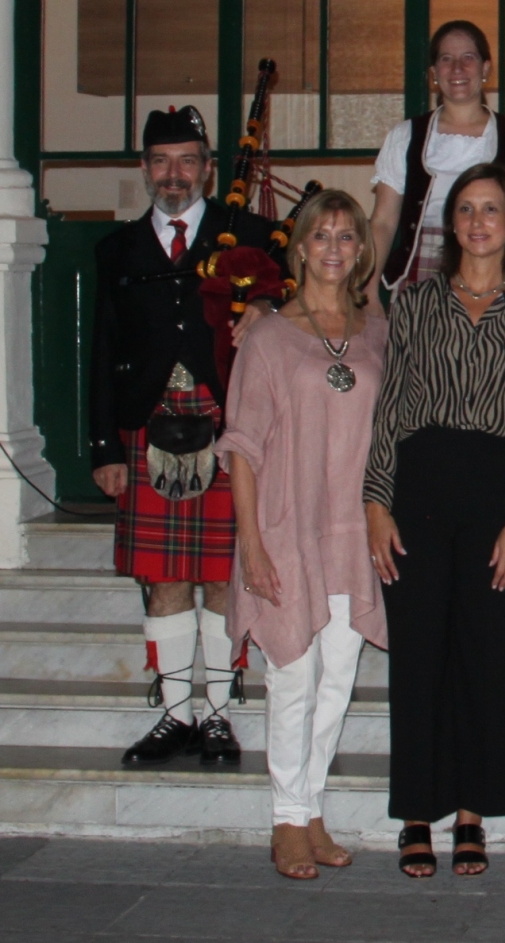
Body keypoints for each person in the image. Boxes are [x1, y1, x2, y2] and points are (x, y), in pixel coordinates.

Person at [364, 163, 505, 879]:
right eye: (466, 209)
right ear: (452, 224)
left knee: (488, 655)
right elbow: (390, 407)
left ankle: (474, 810)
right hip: (420, 483)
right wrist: (376, 502)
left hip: (497, 488)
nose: (479, 221)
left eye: (492, 209)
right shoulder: (412, 303)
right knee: (419, 655)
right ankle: (418, 810)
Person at [90, 106, 287, 769]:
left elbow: (299, 304)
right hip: (148, 423)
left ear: (206, 166)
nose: (173, 174)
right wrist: (104, 448)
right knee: (164, 575)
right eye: (160, 161)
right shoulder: (116, 250)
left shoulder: (255, 235)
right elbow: (101, 352)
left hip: (229, 422)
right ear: (145, 168)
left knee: (225, 576)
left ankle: (220, 718)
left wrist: (268, 303)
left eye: (186, 160)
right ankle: (176, 716)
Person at [218, 190, 387, 879]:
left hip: (352, 530)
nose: (335, 247)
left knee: (337, 678)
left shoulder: (375, 328)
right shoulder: (267, 335)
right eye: (322, 235)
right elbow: (242, 446)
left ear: (360, 252)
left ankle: (311, 806)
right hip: (288, 528)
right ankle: (286, 818)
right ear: (301, 248)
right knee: (293, 675)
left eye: (347, 236)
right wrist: (252, 542)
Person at [370, 19, 505, 296]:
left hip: (496, 267)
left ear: (485, 68)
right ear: (434, 72)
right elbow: (383, 220)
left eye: (468, 57)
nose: (457, 68)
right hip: (421, 273)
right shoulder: (405, 136)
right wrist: (369, 290)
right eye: (446, 59)